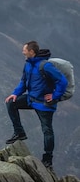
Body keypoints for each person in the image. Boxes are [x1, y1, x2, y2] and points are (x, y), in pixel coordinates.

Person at [4, 40, 68, 169]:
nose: (23, 52)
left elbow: (63, 81)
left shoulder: (45, 66)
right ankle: (19, 133)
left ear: (31, 52)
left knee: (47, 131)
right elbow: (23, 81)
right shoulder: (28, 64)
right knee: (11, 103)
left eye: (25, 50)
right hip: (31, 99)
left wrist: (54, 96)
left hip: (44, 103)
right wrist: (16, 93)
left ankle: (48, 159)